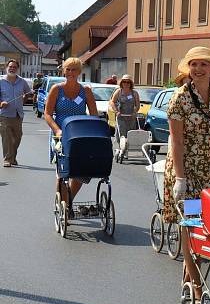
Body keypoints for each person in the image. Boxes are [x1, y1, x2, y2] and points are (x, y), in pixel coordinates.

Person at [162, 46, 210, 299]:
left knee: (208, 225)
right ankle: (197, 286)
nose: (198, 69)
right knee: (191, 224)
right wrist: (180, 178)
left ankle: (190, 271)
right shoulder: (179, 98)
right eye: (194, 64)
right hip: (188, 170)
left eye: (204, 64)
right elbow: (177, 141)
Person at [44, 57, 98, 204]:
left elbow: (94, 115)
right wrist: (57, 130)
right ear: (64, 71)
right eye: (68, 69)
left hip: (79, 134)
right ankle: (63, 205)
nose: (70, 72)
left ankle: (68, 201)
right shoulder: (57, 89)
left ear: (79, 72)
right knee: (63, 171)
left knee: (81, 171)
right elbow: (47, 114)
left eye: (74, 69)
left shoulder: (85, 91)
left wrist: (93, 132)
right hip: (60, 134)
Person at [0, 59, 33, 167]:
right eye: (10, 67)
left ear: (17, 69)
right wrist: (1, 103)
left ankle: (12, 157)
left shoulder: (22, 81)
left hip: (18, 114)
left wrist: (23, 99)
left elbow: (28, 92)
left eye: (14, 67)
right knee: (6, 137)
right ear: (6, 68)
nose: (12, 68)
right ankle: (7, 159)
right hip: (4, 114)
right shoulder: (1, 81)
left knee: (18, 137)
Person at [110, 74, 140, 156]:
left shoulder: (134, 93)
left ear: (131, 83)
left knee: (130, 133)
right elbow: (112, 102)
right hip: (121, 116)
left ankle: (128, 150)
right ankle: (121, 148)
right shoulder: (118, 92)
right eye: (124, 82)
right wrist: (116, 111)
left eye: (128, 82)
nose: (126, 84)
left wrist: (135, 111)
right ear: (121, 83)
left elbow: (137, 104)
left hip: (131, 116)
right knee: (121, 133)